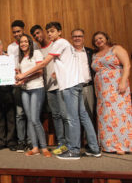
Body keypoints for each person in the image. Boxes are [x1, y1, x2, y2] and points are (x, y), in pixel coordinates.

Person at [16, 22, 101, 160]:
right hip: (76, 83)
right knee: (83, 116)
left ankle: (73, 150)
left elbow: (43, 64)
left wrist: (23, 75)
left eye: (52, 31)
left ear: (59, 32)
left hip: (69, 85)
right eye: (48, 31)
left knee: (72, 118)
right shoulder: (66, 44)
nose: (50, 34)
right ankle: (94, 148)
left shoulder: (59, 43)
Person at [91, 31, 132, 155]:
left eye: (100, 38)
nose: (98, 41)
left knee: (119, 114)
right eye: (96, 40)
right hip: (102, 90)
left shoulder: (116, 48)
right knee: (106, 115)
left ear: (106, 38)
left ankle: (122, 145)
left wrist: (123, 82)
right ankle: (108, 145)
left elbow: (127, 65)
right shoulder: (94, 55)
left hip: (116, 86)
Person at [30, 25, 67, 155]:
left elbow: (67, 61)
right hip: (48, 88)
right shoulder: (37, 50)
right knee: (56, 116)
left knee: (64, 115)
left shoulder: (56, 44)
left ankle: (70, 143)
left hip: (61, 85)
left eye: (38, 33)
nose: (37, 36)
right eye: (34, 35)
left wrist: (59, 72)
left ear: (44, 33)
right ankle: (61, 143)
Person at [16, 34, 51, 157]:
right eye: (21, 42)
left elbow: (40, 71)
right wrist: (18, 79)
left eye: (25, 41)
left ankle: (44, 147)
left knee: (35, 119)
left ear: (30, 43)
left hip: (37, 88)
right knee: (29, 119)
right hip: (25, 90)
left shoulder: (36, 53)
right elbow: (19, 74)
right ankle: (35, 147)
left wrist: (24, 78)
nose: (23, 44)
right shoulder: (20, 58)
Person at [0, 38, 17, 151]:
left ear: (1, 45)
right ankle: (0, 141)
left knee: (10, 118)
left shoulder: (9, 58)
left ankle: (11, 142)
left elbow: (15, 71)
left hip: (9, 91)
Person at [7, 20, 27, 152]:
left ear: (23, 30)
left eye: (18, 31)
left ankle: (32, 141)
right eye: (14, 32)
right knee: (19, 113)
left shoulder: (32, 44)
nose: (16, 34)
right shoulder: (10, 47)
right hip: (16, 84)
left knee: (31, 114)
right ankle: (21, 141)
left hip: (31, 82)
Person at [71, 29, 96, 124]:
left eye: (79, 36)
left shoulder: (90, 52)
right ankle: (79, 138)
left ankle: (88, 138)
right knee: (76, 115)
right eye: (75, 36)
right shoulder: (68, 52)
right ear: (72, 38)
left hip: (88, 87)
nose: (77, 38)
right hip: (74, 88)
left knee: (90, 114)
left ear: (83, 38)